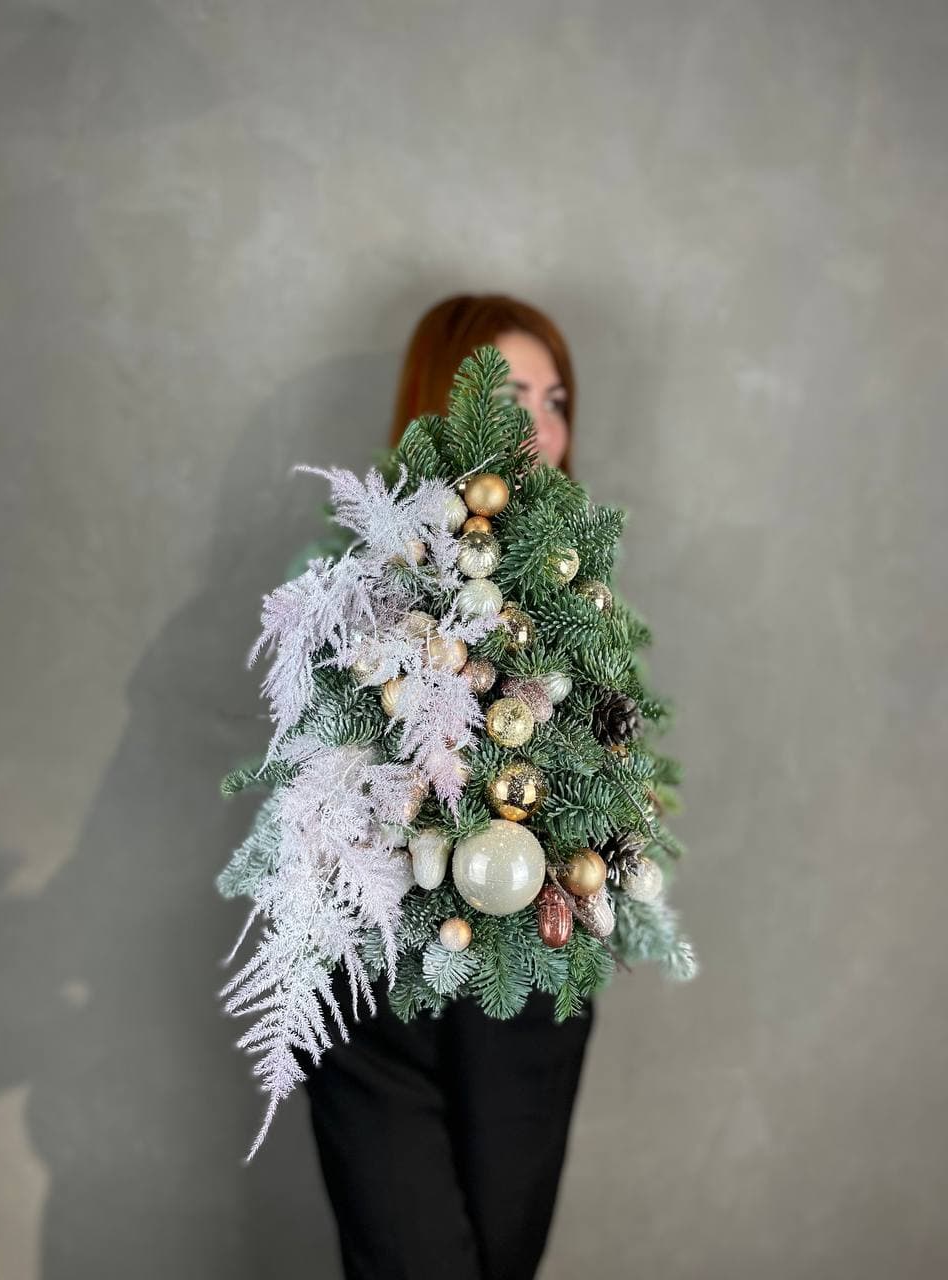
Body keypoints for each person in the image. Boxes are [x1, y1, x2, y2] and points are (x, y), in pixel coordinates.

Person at [296, 294, 593, 1280]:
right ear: (444, 405)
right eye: (514, 397)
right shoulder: (363, 579)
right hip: (378, 990)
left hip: (525, 998)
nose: (542, 426)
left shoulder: (580, 599)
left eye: (556, 400)